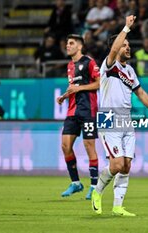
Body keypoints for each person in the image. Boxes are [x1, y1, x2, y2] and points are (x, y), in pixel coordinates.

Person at [91, 15, 148, 217]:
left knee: (127, 165)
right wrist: (126, 28)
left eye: (129, 45)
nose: (127, 48)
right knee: (116, 164)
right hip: (108, 118)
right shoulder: (108, 66)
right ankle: (97, 191)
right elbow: (113, 50)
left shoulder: (130, 71)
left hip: (126, 120)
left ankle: (117, 206)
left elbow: (140, 93)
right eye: (125, 45)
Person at [56, 34, 100, 200]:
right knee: (65, 146)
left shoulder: (89, 62)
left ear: (79, 46)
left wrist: (79, 89)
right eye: (67, 43)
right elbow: (73, 87)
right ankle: (76, 183)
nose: (68, 46)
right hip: (72, 111)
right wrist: (64, 96)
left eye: (71, 43)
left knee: (89, 146)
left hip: (88, 110)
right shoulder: (69, 66)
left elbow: (99, 83)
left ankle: (94, 186)